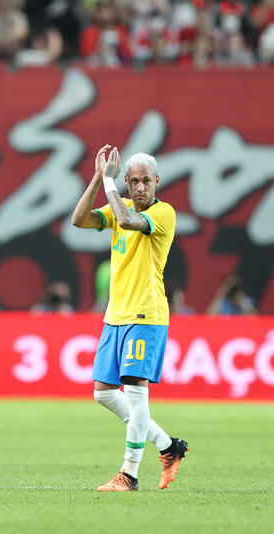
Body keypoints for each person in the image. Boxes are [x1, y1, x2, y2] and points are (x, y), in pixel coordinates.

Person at [71, 144, 188, 492]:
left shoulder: (163, 213)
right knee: (103, 393)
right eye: (132, 181)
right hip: (115, 316)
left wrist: (110, 183)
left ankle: (129, 475)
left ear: (156, 182)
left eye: (145, 182)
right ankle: (168, 446)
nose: (139, 188)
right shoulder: (116, 203)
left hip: (146, 314)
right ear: (126, 181)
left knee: (136, 396)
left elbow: (126, 220)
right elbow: (79, 220)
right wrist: (96, 178)